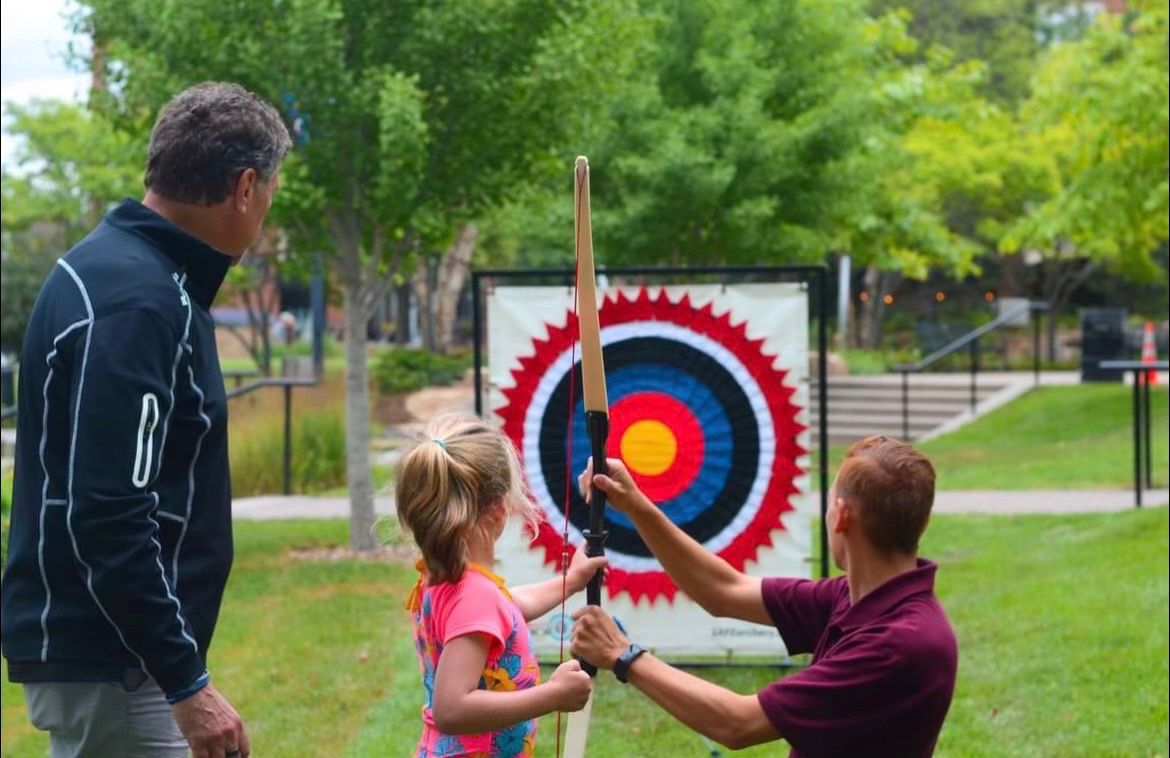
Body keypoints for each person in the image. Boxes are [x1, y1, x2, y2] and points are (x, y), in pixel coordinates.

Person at [2, 82, 291, 758]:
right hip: (116, 663)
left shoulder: (120, 272)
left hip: (112, 658)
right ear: (245, 187)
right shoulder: (138, 301)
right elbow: (108, 510)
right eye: (271, 192)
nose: (267, 212)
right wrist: (185, 681)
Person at [571, 435, 958, 757]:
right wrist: (634, 504)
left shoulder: (902, 643)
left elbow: (738, 722)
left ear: (840, 515)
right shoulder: (862, 595)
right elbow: (724, 591)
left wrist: (623, 655)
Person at [395, 414, 605, 757]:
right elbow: (451, 708)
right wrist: (553, 695)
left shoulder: (447, 577)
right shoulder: (474, 594)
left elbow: (506, 607)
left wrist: (570, 582)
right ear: (498, 509)